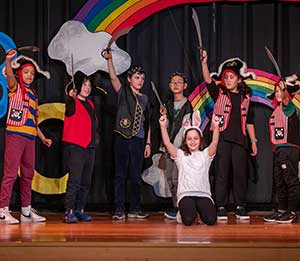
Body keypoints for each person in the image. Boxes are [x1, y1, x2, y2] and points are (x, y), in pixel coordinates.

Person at [201, 49, 258, 220]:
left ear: (239, 79)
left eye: (231, 77)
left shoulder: (246, 98)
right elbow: (207, 80)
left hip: (240, 140)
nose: (228, 80)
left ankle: (241, 205)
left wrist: (253, 141)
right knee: (221, 173)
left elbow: (249, 122)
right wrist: (204, 62)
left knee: (240, 173)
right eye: (225, 77)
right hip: (222, 139)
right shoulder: (219, 93)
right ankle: (220, 206)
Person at [0, 49, 52, 224]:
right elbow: (8, 74)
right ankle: (2, 210)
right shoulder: (15, 87)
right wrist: (8, 60)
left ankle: (26, 211)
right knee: (10, 174)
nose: (29, 75)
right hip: (15, 135)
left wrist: (43, 137)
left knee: (28, 174)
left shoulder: (33, 95)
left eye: (31, 73)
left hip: (30, 138)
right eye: (26, 72)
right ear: (19, 74)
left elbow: (34, 121)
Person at [102, 50, 151, 220]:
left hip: (138, 139)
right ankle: (119, 209)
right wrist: (110, 60)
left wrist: (148, 143)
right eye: (137, 77)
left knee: (135, 175)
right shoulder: (123, 92)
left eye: (142, 78)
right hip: (122, 137)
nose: (140, 81)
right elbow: (114, 78)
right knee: (120, 174)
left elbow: (148, 122)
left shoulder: (145, 98)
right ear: (130, 79)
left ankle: (135, 209)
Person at [159, 110, 219, 226]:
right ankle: (185, 212)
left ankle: (200, 211)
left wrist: (216, 127)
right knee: (188, 220)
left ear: (200, 139)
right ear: (185, 141)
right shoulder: (180, 155)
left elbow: (215, 142)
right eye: (189, 139)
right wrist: (162, 126)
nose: (192, 142)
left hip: (203, 194)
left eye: (195, 138)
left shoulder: (205, 155)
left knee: (211, 220)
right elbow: (167, 143)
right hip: (186, 194)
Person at [62, 71, 98, 223]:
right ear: (78, 87)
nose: (87, 88)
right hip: (76, 146)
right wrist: (71, 96)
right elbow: (69, 108)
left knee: (85, 181)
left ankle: (80, 209)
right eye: (84, 84)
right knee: (75, 180)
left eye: (89, 85)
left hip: (90, 147)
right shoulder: (72, 102)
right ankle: (69, 211)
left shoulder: (90, 103)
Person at [264, 79, 300, 223]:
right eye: (276, 91)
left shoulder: (289, 106)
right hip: (279, 150)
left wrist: (284, 86)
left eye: (280, 90)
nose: (278, 93)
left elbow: (285, 98)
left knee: (290, 180)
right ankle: (282, 210)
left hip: (290, 148)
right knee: (279, 181)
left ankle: (291, 212)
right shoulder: (277, 109)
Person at [160, 72, 193, 220]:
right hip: (168, 148)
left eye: (179, 82)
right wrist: (164, 118)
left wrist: (175, 147)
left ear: (185, 86)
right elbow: (165, 127)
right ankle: (175, 206)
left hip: (178, 149)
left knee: (177, 179)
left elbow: (185, 128)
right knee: (169, 180)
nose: (176, 84)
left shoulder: (188, 105)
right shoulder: (166, 105)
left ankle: (182, 206)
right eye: (173, 82)